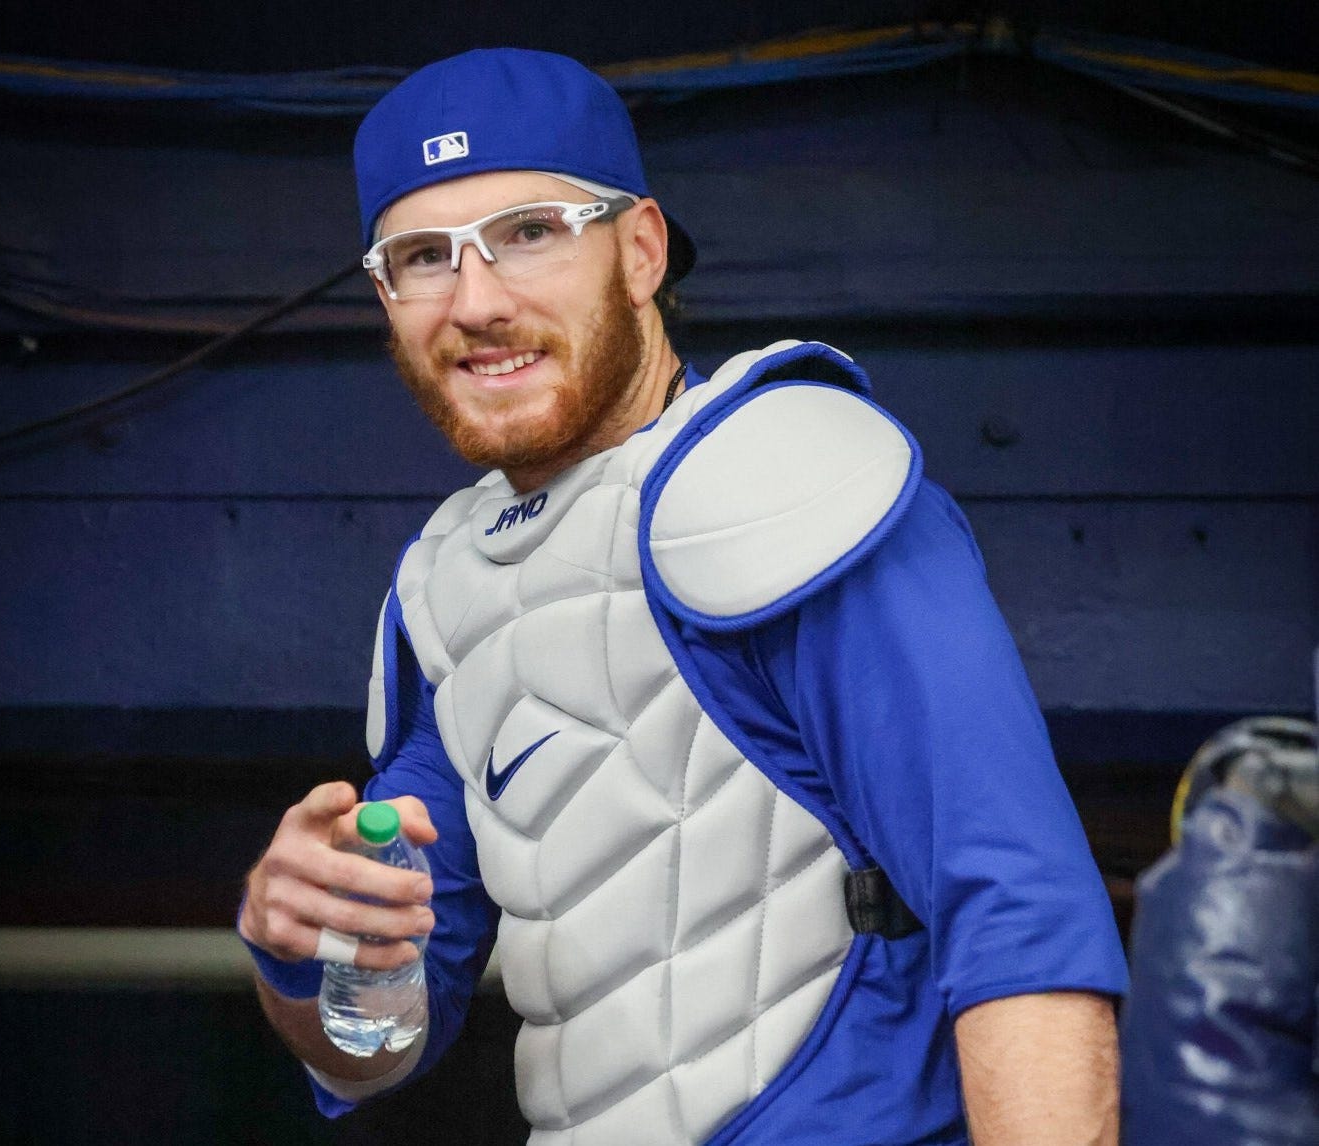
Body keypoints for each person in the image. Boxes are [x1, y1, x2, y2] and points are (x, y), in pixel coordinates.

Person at [239, 47, 1127, 1145]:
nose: (476, 301)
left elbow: (1020, 913)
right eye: (424, 257)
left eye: (529, 232)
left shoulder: (784, 479)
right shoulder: (445, 594)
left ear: (641, 249)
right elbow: (380, 1051)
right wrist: (299, 953)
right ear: (387, 297)